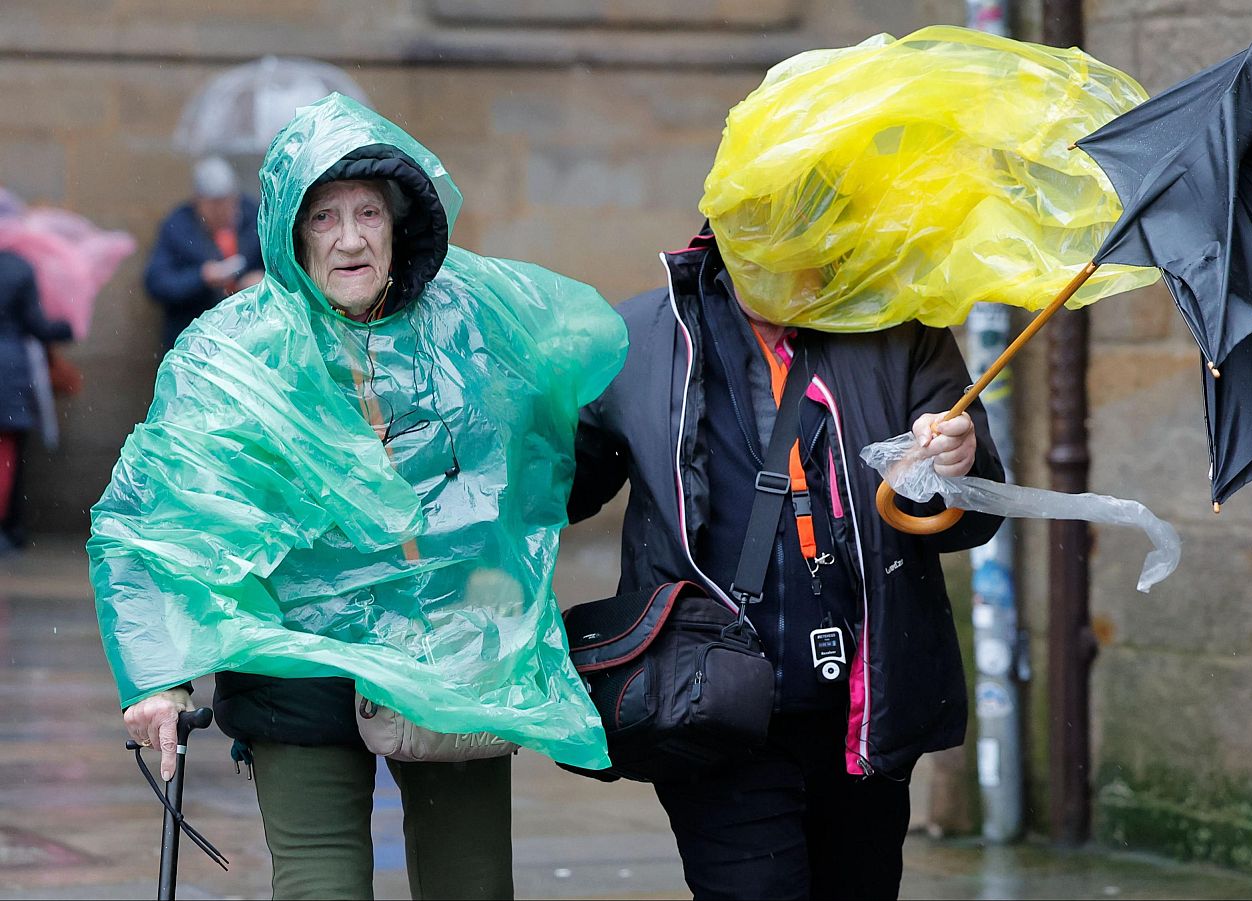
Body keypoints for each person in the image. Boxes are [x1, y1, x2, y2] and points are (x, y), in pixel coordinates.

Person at [96, 95, 624, 900]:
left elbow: (551, 453)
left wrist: (510, 581)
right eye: (325, 217)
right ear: (289, 231)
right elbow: (153, 517)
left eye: (368, 212)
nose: (349, 238)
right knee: (321, 886)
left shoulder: (471, 321)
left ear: (397, 222)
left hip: (455, 661)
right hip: (293, 669)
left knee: (472, 884)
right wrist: (157, 676)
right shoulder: (231, 354)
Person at [567, 223, 1005, 900]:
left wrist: (953, 464)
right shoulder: (642, 338)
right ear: (720, 226)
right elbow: (557, 487)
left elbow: (968, 519)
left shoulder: (899, 329)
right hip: (709, 704)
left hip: (865, 712)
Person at [143, 155, 265, 350]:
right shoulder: (177, 227)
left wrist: (263, 281)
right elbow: (156, 283)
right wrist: (201, 277)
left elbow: (283, 265)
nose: (221, 211)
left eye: (226, 202)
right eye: (213, 204)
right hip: (196, 335)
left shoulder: (256, 219)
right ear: (197, 202)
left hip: (250, 333)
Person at [0, 250, 71, 555]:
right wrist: (65, 328)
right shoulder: (19, 267)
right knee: (6, 455)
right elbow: (37, 324)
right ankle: (7, 528)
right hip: (9, 370)